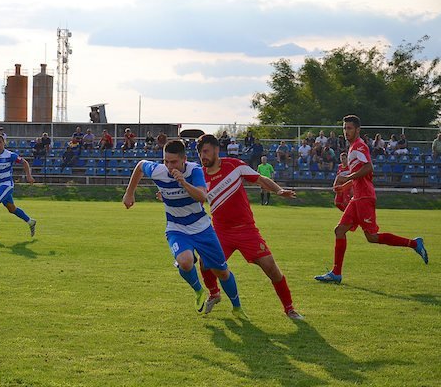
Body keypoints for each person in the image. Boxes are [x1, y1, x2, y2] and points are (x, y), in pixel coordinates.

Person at [123, 140, 247, 318]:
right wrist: (129, 192)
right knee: (185, 261)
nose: (168, 166)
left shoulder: (194, 170)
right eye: (166, 161)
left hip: (202, 228)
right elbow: (141, 165)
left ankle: (237, 307)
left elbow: (202, 197)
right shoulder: (158, 171)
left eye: (173, 162)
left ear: (184, 160)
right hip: (176, 228)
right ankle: (198, 291)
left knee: (221, 271)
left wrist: (183, 183)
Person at [196, 134, 302, 319]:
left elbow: (260, 179)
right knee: (205, 263)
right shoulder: (199, 175)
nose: (202, 156)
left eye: (205, 151)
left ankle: (290, 308)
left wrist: (278, 190)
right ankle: (214, 294)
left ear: (216, 150)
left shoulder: (234, 166)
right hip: (221, 231)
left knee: (271, 269)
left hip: (246, 230)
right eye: (199, 152)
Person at [315, 115, 428, 284]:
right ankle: (336, 273)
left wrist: (347, 179)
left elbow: (368, 168)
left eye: (349, 128)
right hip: (357, 197)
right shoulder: (353, 147)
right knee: (339, 230)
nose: (346, 131)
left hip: (365, 197)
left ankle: (414, 244)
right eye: (344, 128)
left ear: (357, 130)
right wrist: (344, 187)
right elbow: (358, 178)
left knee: (372, 237)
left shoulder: (359, 146)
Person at [0, 134, 36, 239]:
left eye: (0, 142)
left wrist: (28, 176)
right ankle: (30, 222)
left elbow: (25, 163)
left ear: (4, 142)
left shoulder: (10, 155)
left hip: (7, 185)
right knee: (12, 209)